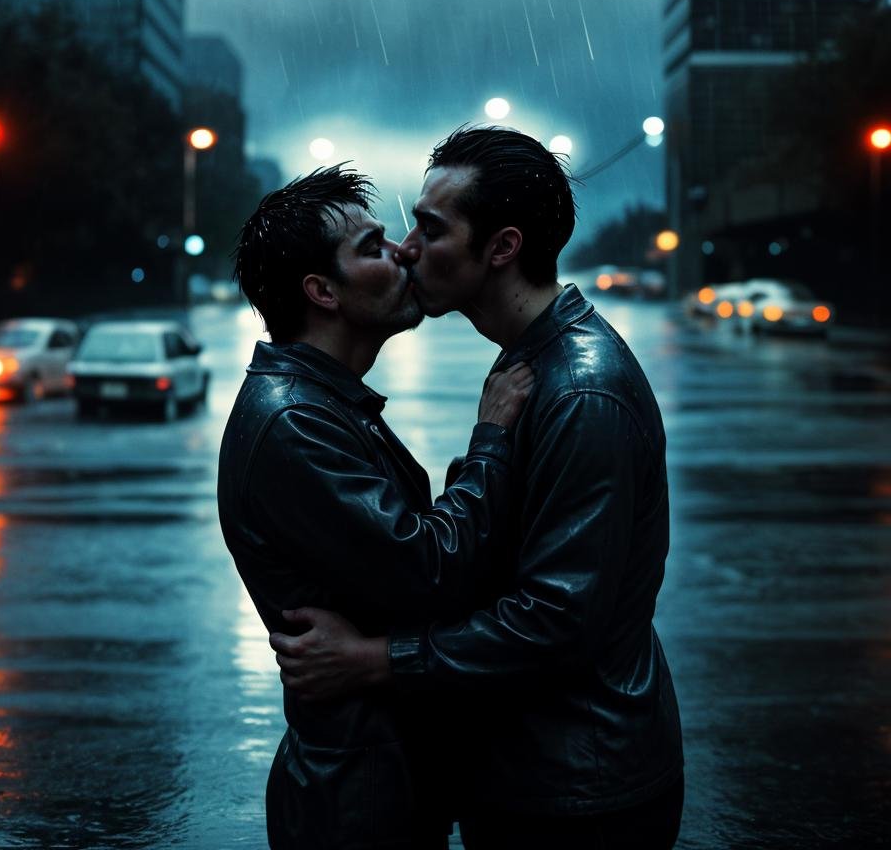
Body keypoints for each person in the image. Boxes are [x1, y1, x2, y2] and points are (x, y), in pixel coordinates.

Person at [270, 127, 685, 849]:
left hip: (579, 794)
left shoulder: (582, 392)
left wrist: (372, 659)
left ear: (501, 249)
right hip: (531, 775)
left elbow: (557, 619)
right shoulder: (530, 370)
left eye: (430, 230)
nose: (406, 249)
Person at [217, 165, 534, 849]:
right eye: (372, 247)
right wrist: (492, 441)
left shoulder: (327, 404)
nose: (401, 254)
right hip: (358, 801)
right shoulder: (295, 423)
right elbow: (434, 570)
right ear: (322, 292)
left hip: (381, 776)